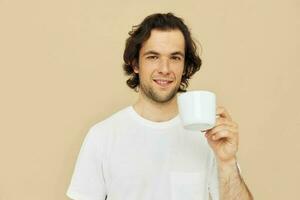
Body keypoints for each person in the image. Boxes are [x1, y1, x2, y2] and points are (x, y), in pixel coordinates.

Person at [66, 13, 253, 200]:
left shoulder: (208, 137)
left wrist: (227, 161)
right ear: (135, 64)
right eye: (153, 57)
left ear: (185, 66)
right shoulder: (102, 137)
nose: (165, 68)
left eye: (175, 58)